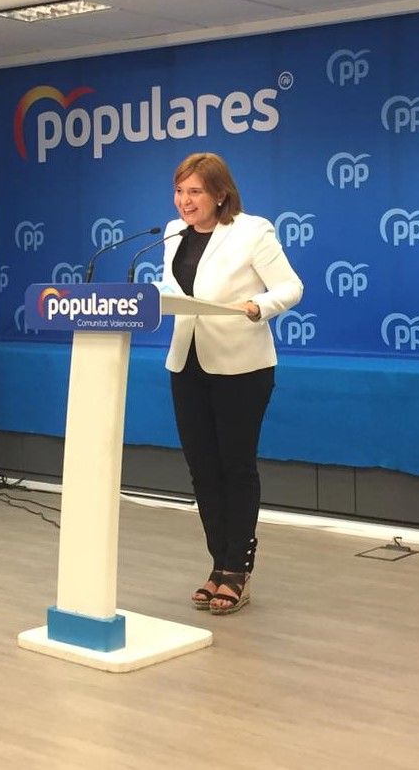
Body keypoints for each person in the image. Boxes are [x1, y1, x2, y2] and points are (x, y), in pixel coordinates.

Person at [161, 152, 303, 615]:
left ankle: (237, 570)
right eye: (180, 191)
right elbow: (175, 291)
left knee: (235, 468)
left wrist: (258, 307)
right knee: (202, 469)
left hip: (242, 367)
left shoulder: (252, 231)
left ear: (220, 194)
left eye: (195, 192)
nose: (185, 201)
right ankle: (217, 563)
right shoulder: (172, 233)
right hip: (186, 362)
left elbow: (291, 287)